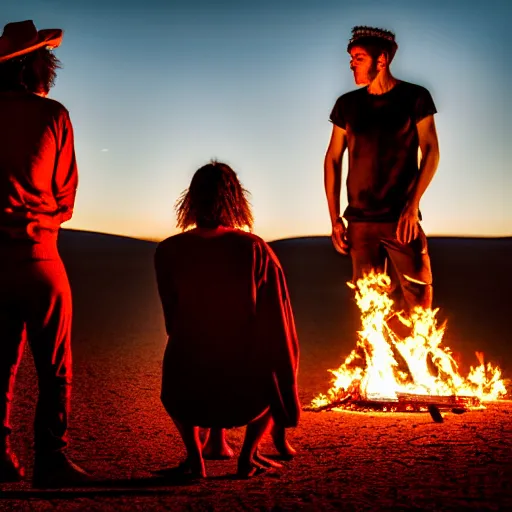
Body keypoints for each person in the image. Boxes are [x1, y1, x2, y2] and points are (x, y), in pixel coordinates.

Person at [154, 162, 300, 479]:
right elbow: (277, 320)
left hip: (189, 382)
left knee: (178, 359)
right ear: (235, 200)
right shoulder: (255, 249)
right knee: (273, 367)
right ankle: (247, 456)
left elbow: (172, 318)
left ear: (190, 200)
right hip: (244, 386)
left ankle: (195, 459)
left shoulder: (168, 250)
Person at [0, 20, 91, 487]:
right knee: (54, 366)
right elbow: (66, 199)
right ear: (34, 64)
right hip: (40, 256)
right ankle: (50, 459)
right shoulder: (54, 115)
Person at [324, 26, 440, 313]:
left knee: (420, 303)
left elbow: (431, 151)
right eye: (351, 57)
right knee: (370, 307)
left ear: (382, 60)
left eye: (359, 57)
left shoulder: (415, 97)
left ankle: (419, 356)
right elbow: (333, 159)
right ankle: (377, 358)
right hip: (360, 223)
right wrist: (334, 218)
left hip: (401, 219)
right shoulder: (347, 105)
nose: (351, 63)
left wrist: (413, 207)